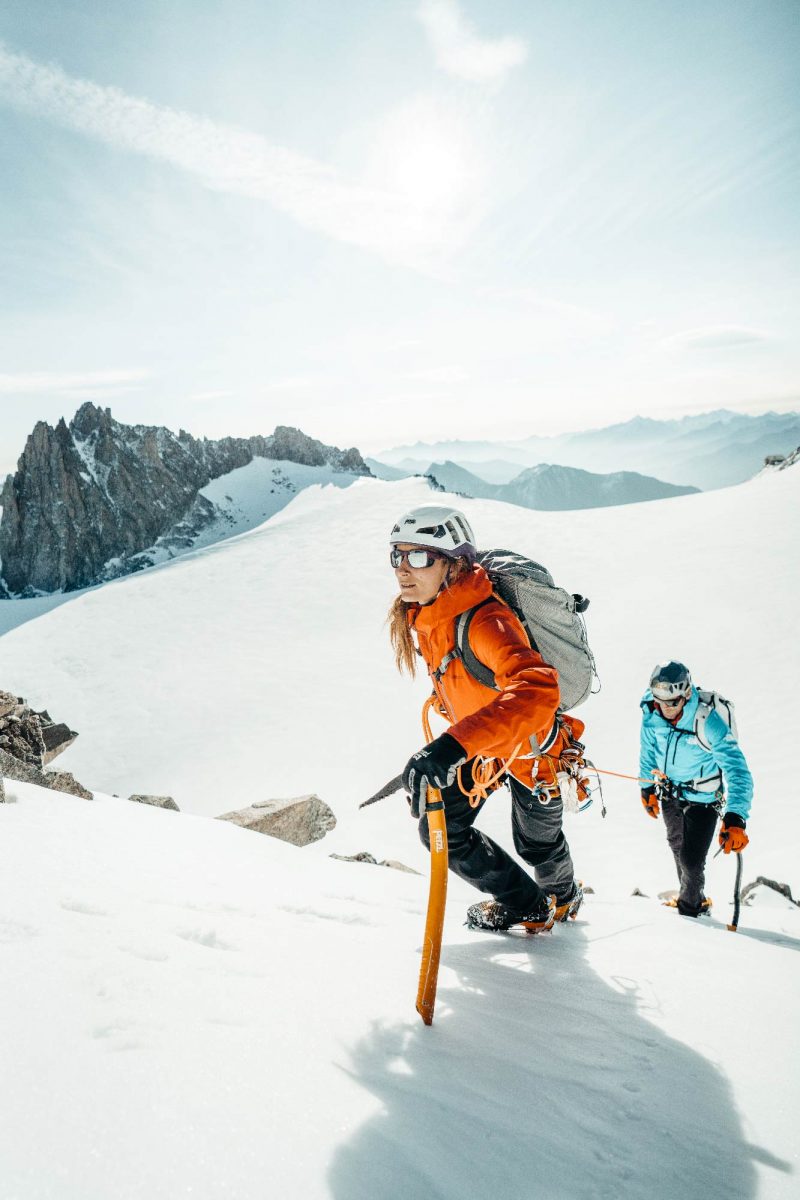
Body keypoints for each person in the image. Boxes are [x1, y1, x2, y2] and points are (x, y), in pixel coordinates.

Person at [387, 502, 584, 933]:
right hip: (486, 746)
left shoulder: (485, 620)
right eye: (397, 555)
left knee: (537, 844)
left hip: (533, 749)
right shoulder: (431, 614)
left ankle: (563, 897)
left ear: (454, 564)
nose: (404, 569)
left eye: (419, 556)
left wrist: (449, 747)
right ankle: (528, 905)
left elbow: (538, 689)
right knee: (441, 829)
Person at [639, 661, 752, 917]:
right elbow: (647, 750)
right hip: (669, 791)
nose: (665, 708)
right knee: (677, 846)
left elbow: (737, 770)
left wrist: (736, 816)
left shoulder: (707, 720)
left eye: (672, 702)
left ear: (686, 694)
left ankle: (691, 911)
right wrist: (646, 787)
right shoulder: (651, 709)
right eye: (660, 701)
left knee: (691, 860)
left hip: (704, 797)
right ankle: (691, 897)